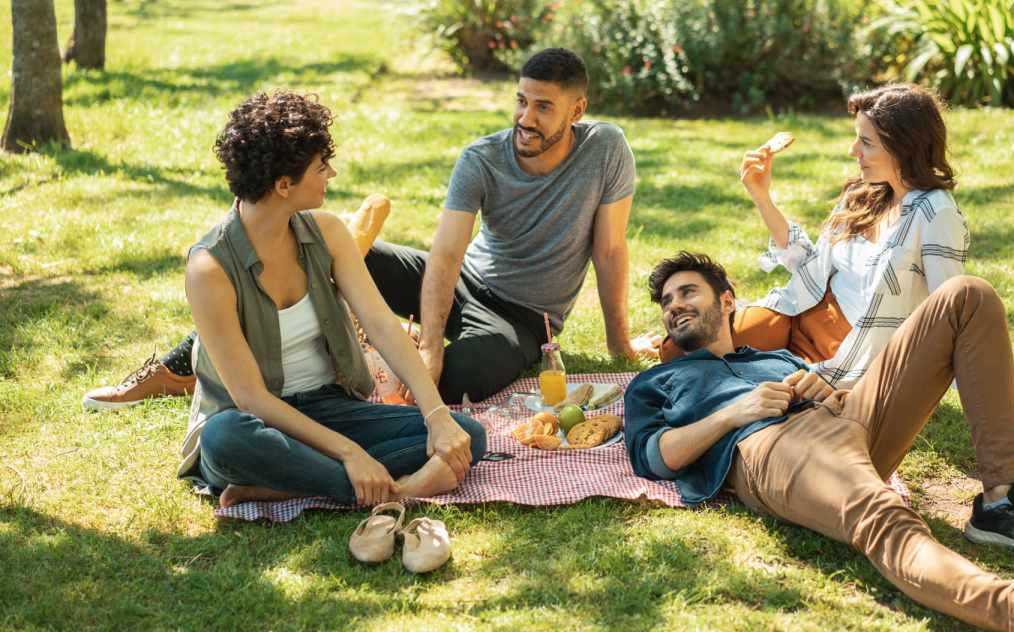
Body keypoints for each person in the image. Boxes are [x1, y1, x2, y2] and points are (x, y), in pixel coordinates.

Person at [625, 252, 1014, 632]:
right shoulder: (656, 382)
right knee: (884, 518)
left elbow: (840, 393)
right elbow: (654, 457)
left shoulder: (773, 357)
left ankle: (1002, 501)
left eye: (686, 292)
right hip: (775, 448)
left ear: (727, 300)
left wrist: (827, 387)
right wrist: (735, 413)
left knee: (967, 295)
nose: (674, 306)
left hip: (845, 419)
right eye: (666, 302)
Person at [83, 47, 643, 409]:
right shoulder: (482, 157)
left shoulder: (606, 149)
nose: (525, 117)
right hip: (461, 278)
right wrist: (428, 341)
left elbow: (610, 250)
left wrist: (619, 343)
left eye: (543, 107)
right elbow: (445, 254)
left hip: (524, 314)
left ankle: (371, 358)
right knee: (329, 251)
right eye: (521, 101)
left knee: (456, 381)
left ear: (576, 110)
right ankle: (188, 362)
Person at [177, 90, 486, 508]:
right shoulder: (209, 268)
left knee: (468, 434)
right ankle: (390, 487)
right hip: (256, 423)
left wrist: (436, 416)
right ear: (284, 185)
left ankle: (293, 484)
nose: (333, 174)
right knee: (224, 440)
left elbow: (380, 325)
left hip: (331, 408)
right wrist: (349, 452)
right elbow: (250, 398)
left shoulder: (327, 233)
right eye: (321, 167)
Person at [657, 84, 969, 390]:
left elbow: (947, 311)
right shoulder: (864, 193)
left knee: (737, 388)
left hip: (852, 349)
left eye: (866, 142)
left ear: (904, 146)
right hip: (799, 312)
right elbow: (810, 263)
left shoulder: (935, 213)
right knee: (678, 350)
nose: (852, 150)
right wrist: (761, 195)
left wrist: (925, 383)